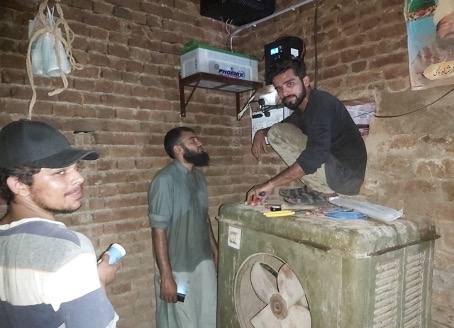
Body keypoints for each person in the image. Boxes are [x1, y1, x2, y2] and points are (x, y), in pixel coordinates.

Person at [0, 120, 120, 328]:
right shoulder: (68, 250)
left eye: (76, 167)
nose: (79, 178)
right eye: (60, 172)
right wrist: (98, 282)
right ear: (19, 185)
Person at [246, 57, 367, 205]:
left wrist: (269, 185)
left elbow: (315, 156)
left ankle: (323, 191)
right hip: (337, 171)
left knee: (277, 134)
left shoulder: (321, 104)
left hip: (345, 177)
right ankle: (316, 189)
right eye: (279, 88)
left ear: (305, 81)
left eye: (289, 84)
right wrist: (261, 132)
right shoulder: (303, 111)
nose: (284, 93)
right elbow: (286, 125)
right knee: (277, 131)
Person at [148, 127, 218, 328]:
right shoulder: (164, 181)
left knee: (208, 314)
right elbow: (158, 230)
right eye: (193, 140)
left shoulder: (199, 178)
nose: (199, 143)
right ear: (178, 149)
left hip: (203, 263)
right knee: (181, 318)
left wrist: (215, 251)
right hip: (178, 270)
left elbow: (204, 218)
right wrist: (166, 276)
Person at [411, 0, 454, 89]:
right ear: (438, 31)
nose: (451, 29)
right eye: (445, 24)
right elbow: (416, 79)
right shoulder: (426, 54)